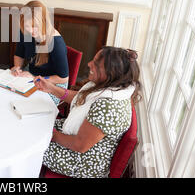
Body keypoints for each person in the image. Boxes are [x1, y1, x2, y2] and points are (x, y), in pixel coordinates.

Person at [34, 46, 142, 178]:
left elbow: (79, 145)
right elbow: (81, 99)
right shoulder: (112, 87)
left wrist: (47, 135)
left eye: (96, 64)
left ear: (111, 73)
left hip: (82, 161)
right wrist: (51, 89)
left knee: (29, 143)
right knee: (32, 122)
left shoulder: (108, 107)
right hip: (77, 140)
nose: (89, 64)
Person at [11, 0, 68, 104]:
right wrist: (17, 68)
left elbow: (63, 78)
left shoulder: (56, 43)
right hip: (32, 73)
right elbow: (19, 54)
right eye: (28, 27)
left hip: (53, 83)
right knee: (12, 96)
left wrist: (36, 78)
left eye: (35, 27)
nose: (31, 31)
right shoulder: (25, 31)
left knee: (29, 103)